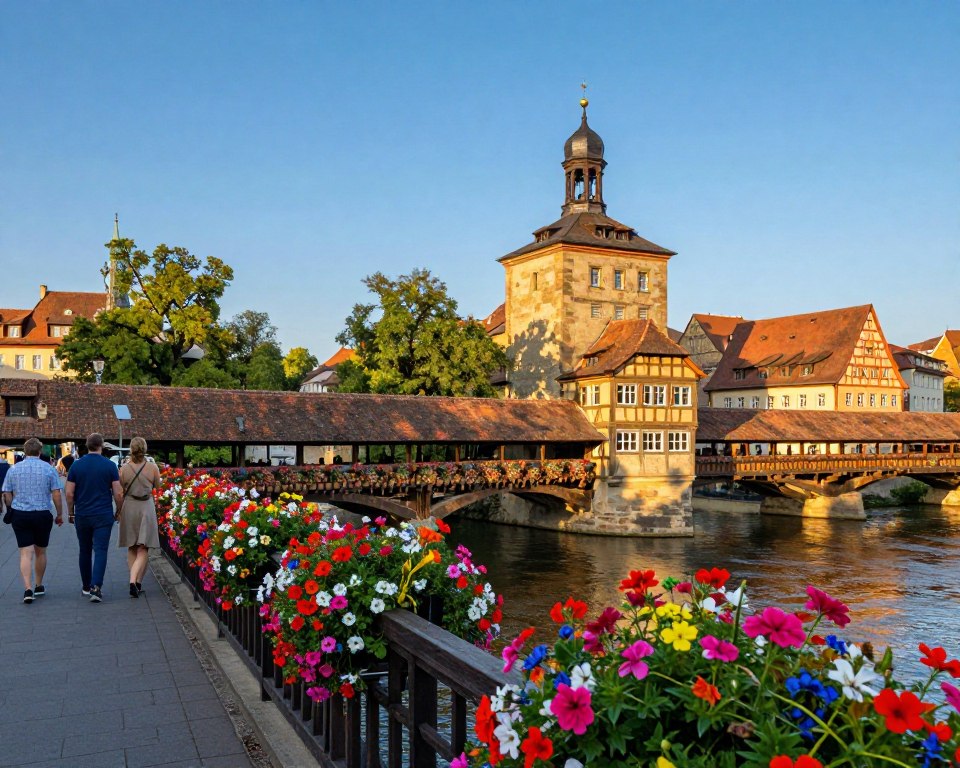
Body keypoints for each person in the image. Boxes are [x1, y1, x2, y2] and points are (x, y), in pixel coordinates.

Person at [1, 438, 63, 603]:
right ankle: (39, 584)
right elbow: (56, 493)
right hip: (42, 514)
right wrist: (59, 514)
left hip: (20, 514)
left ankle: (27, 589)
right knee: (40, 551)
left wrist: (10, 508)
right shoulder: (48, 469)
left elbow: (6, 492)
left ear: (25, 451)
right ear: (40, 451)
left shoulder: (13, 469)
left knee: (25, 553)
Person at [66, 433, 123, 603]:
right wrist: (118, 510)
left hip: (82, 514)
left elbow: (69, 493)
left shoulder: (76, 466)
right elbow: (118, 493)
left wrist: (71, 512)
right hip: (103, 513)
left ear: (87, 445)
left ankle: (85, 585)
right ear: (102, 446)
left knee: (84, 550)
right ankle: (96, 587)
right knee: (101, 550)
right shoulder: (109, 466)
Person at [117, 436, 161, 598]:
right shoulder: (152, 467)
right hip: (146, 507)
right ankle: (134, 581)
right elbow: (158, 486)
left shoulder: (124, 468)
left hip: (129, 506)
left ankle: (135, 581)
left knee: (132, 545)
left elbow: (120, 489)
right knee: (144, 546)